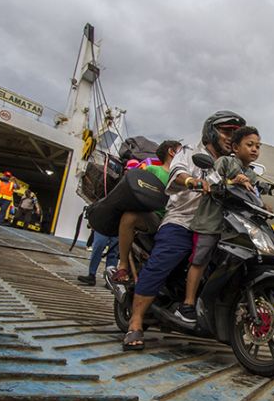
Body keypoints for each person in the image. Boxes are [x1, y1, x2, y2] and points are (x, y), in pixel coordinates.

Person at [122, 110, 246, 351]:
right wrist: (192, 181)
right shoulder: (191, 151)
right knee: (165, 258)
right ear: (211, 131)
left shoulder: (231, 163)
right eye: (226, 131)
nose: (231, 137)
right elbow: (178, 174)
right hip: (183, 220)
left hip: (215, 225)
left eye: (235, 133)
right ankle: (135, 322)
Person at [175, 126, 261, 325]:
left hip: (231, 227)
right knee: (200, 260)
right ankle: (187, 304)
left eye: (258, 146)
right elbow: (210, 185)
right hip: (210, 221)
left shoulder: (252, 174)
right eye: (250, 145)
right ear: (235, 147)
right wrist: (232, 180)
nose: (255, 149)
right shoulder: (224, 162)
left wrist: (263, 204)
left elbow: (253, 196)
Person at [108, 140, 181, 285]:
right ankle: (122, 265)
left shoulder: (186, 176)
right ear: (171, 152)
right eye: (181, 150)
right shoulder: (154, 170)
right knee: (129, 217)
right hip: (157, 217)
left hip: (179, 221)